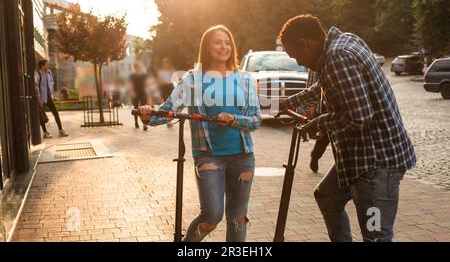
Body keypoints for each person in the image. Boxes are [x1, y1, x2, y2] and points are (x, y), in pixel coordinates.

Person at [278, 14, 416, 242]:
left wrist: (318, 122)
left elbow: (359, 117)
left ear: (304, 43)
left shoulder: (337, 57)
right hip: (358, 158)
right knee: (327, 197)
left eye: (296, 55)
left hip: (376, 163)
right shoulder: (343, 42)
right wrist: (289, 102)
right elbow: (327, 84)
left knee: (375, 235)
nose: (299, 62)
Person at [139, 25, 261, 242]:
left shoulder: (245, 80)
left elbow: (255, 120)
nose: (224, 46)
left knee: (237, 219)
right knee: (212, 215)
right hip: (208, 156)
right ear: (206, 47)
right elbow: (168, 111)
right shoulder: (192, 80)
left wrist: (234, 119)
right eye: (217, 42)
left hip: (243, 157)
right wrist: (148, 115)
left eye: (227, 42)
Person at [304, 70, 329, 173]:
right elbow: (311, 85)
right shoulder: (316, 62)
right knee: (324, 136)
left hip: (334, 104)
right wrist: (311, 104)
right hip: (322, 106)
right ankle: (315, 156)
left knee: (329, 136)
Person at [37, 59, 68, 138]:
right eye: (46, 65)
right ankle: (45, 132)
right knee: (42, 116)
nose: (48, 66)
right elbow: (37, 87)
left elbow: (51, 82)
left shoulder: (49, 72)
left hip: (49, 97)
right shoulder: (38, 74)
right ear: (42, 66)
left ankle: (61, 130)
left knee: (55, 113)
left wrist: (52, 91)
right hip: (41, 98)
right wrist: (38, 99)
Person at [129, 61, 148, 130]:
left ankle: (144, 124)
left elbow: (146, 84)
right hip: (135, 93)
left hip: (143, 93)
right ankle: (136, 122)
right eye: (136, 67)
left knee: (144, 109)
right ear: (134, 68)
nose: (137, 68)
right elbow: (130, 85)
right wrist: (132, 92)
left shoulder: (143, 75)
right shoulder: (132, 76)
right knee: (136, 109)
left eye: (138, 67)